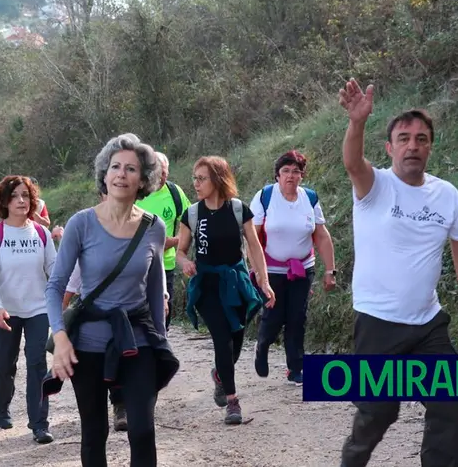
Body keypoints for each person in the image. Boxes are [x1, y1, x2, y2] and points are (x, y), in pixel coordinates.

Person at [337, 79, 458, 467]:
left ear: (430, 146)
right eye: (403, 138)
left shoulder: (446, 194)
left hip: (427, 323)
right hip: (378, 322)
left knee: (448, 398)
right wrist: (357, 123)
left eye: (421, 139)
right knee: (378, 413)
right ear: (390, 148)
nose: (412, 146)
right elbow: (353, 162)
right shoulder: (375, 186)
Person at [45, 133, 179, 467]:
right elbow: (55, 286)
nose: (122, 174)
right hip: (87, 344)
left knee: (142, 431)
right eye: (115, 167)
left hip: (137, 340)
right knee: (94, 432)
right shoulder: (81, 224)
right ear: (104, 175)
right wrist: (60, 339)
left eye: (131, 169)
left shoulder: (155, 228)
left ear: (143, 179)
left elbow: (154, 290)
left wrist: (160, 342)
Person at [176, 156, 275, 425]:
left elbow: (254, 247)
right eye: (194, 178)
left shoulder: (239, 209)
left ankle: (220, 374)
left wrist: (263, 282)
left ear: (218, 179)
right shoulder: (193, 213)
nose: (195, 183)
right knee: (222, 338)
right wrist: (185, 262)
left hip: (236, 281)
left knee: (237, 338)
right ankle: (232, 401)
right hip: (207, 284)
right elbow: (180, 251)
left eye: (201, 178)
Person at [249, 150, 337, 386]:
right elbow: (252, 237)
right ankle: (263, 346)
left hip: (302, 268)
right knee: (274, 316)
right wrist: (257, 271)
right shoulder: (265, 197)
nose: (290, 176)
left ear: (302, 175)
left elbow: (321, 235)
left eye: (295, 171)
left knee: (297, 317)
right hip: (271, 270)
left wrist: (331, 269)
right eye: (285, 171)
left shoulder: (309, 198)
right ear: (277, 175)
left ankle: (295, 367)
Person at [0, 176, 56, 444]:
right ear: (4, 201)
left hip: (38, 309)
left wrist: (60, 300)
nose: (21, 200)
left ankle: (39, 423)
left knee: (37, 363)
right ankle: (1, 407)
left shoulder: (41, 233)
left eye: (25, 195)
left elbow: (54, 270)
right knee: (4, 363)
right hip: (6, 311)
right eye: (14, 196)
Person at [136, 152, 190, 331]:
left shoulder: (175, 192)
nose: (163, 177)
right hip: (135, 267)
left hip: (165, 266)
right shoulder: (135, 192)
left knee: (162, 317)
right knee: (138, 318)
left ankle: (159, 350)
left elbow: (190, 223)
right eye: (159, 172)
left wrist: (173, 241)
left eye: (166, 172)